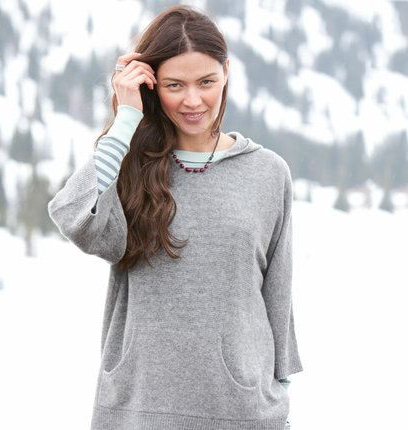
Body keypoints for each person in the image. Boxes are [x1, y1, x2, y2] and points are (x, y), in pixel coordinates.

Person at [48, 5, 303, 430]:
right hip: (138, 409)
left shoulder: (268, 172)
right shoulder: (128, 164)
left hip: (241, 413)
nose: (193, 100)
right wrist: (126, 119)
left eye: (207, 82)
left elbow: (278, 298)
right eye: (174, 85)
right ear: (152, 84)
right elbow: (75, 216)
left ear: (226, 73)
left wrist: (277, 401)